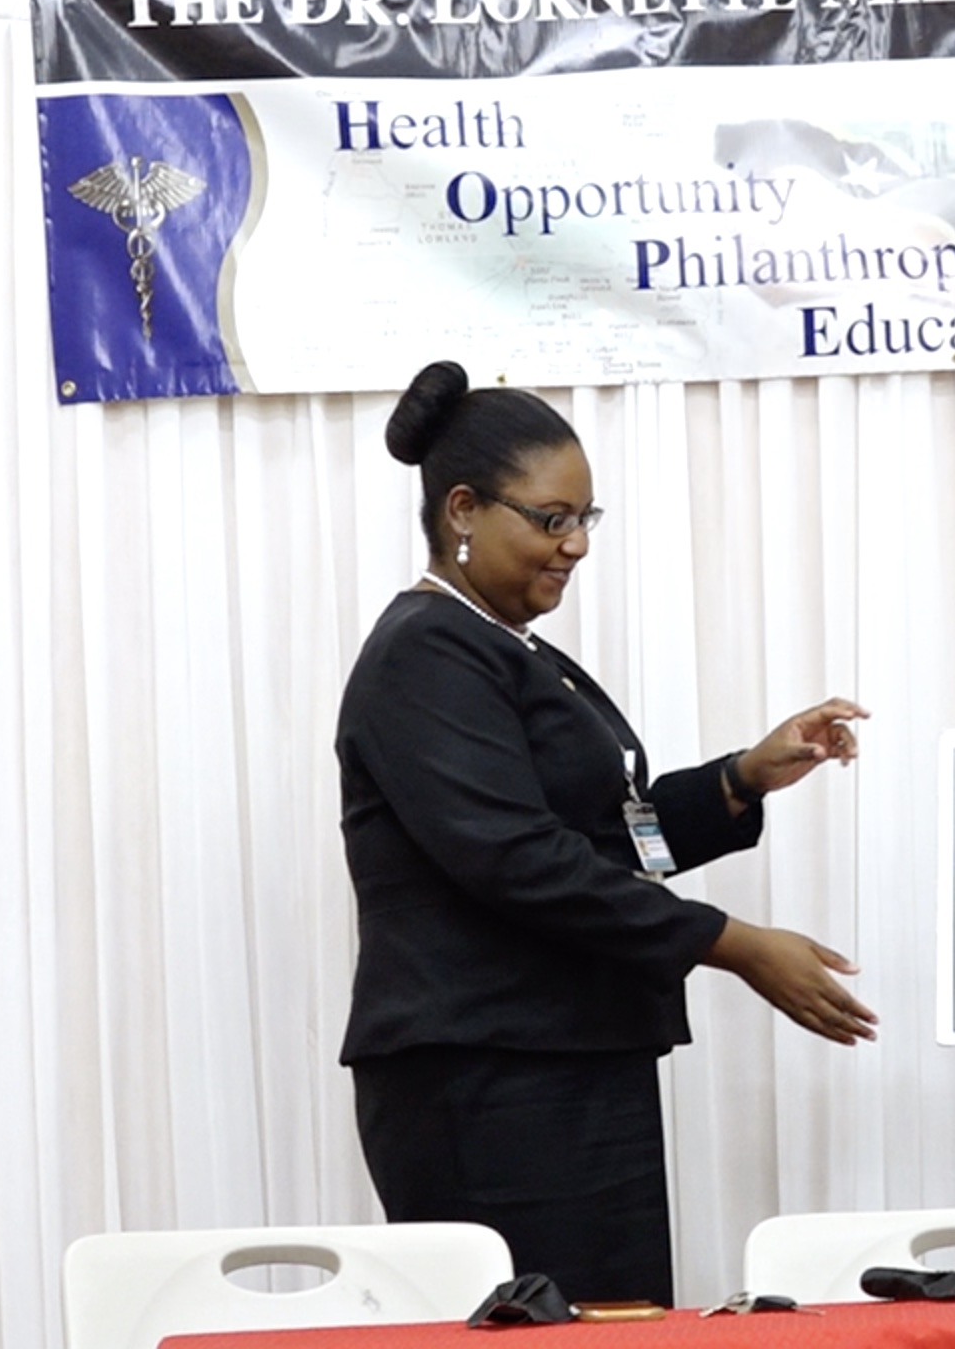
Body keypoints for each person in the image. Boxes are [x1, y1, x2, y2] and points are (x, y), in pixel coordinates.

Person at [336, 361, 880, 1306]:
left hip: (568, 1061)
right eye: (553, 519)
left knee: (618, 1323)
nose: (577, 545)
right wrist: (734, 945)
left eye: (587, 519)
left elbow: (602, 840)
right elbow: (517, 860)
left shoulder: (510, 649)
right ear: (462, 509)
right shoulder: (427, 654)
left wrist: (743, 777)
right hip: (490, 1082)